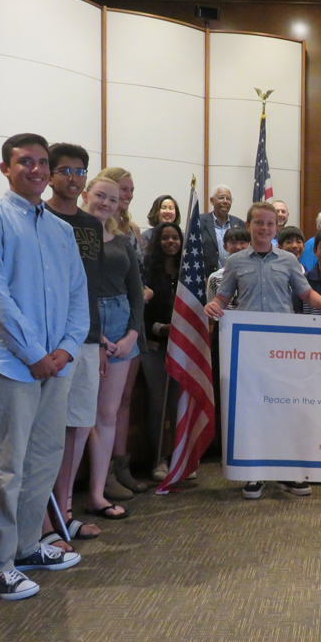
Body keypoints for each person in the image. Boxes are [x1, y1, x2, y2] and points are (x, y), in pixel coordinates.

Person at [0, 133, 87, 600]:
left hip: (56, 365)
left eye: (42, 163)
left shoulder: (61, 229)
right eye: (25, 162)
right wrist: (34, 353)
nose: (36, 170)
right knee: (5, 466)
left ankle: (26, 546)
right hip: (11, 363)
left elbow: (78, 296)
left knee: (42, 460)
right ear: (5, 169)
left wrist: (67, 349)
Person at [204, 201, 321, 499]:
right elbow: (223, 299)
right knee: (254, 412)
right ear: (249, 225)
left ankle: (288, 473)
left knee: (285, 408)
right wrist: (213, 305)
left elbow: (305, 292)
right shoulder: (235, 262)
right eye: (258, 223)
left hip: (283, 348)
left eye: (269, 224)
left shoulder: (289, 261)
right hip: (250, 350)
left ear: (276, 228)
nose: (264, 228)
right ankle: (255, 474)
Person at [44, 142, 104, 544]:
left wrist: (98, 340)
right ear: (50, 174)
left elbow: (92, 287)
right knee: (48, 431)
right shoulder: (39, 217)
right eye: (64, 170)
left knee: (78, 426)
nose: (72, 177)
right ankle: (45, 521)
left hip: (87, 339)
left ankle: (65, 511)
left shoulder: (91, 225)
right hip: (51, 342)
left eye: (79, 171)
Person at [83, 175, 144, 520]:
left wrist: (132, 334)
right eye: (100, 196)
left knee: (107, 415)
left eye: (112, 198)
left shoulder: (122, 240)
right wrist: (98, 339)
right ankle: (65, 501)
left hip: (123, 331)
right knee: (80, 417)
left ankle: (97, 493)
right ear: (86, 195)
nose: (106, 203)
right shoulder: (71, 235)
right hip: (88, 330)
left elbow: (136, 291)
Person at [97, 166, 149, 499]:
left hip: (130, 318)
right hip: (98, 322)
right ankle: (100, 478)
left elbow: (137, 275)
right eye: (121, 190)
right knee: (100, 407)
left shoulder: (130, 230)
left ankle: (120, 465)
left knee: (123, 399)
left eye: (130, 190)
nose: (127, 196)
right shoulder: (93, 227)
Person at [142, 222, 184, 482]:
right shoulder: (147, 271)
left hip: (181, 348)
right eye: (165, 237)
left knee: (176, 405)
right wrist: (159, 328)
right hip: (153, 346)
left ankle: (179, 457)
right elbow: (140, 310)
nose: (170, 242)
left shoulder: (186, 271)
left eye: (175, 237)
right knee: (157, 404)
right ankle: (159, 458)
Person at [205, 226, 250, 456]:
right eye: (234, 243)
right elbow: (212, 310)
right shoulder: (215, 278)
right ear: (225, 247)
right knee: (223, 391)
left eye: (243, 242)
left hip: (248, 340)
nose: (239, 247)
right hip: (222, 338)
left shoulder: (252, 272)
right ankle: (221, 445)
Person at [199, 184, 246, 276]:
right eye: (221, 198)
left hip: (235, 277)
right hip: (207, 279)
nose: (225, 201)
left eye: (228, 199)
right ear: (212, 201)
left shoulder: (239, 223)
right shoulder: (200, 222)